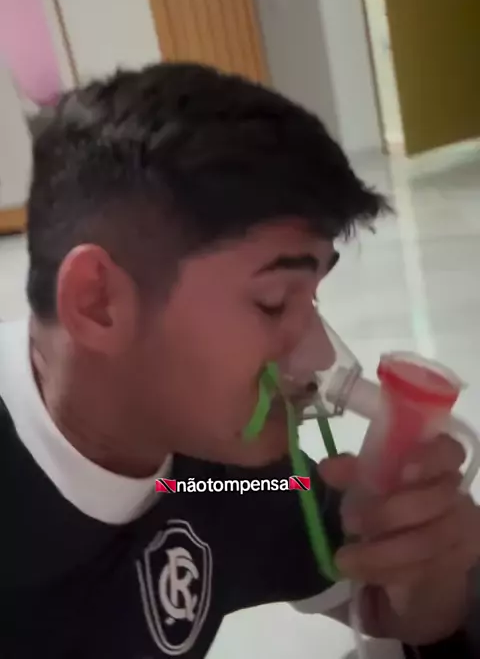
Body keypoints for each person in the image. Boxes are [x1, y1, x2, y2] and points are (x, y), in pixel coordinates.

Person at [0, 62, 478, 658]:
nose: (317, 355)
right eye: (273, 302)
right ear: (97, 302)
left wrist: (427, 567)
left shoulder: (224, 465)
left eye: (312, 298)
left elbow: (380, 605)